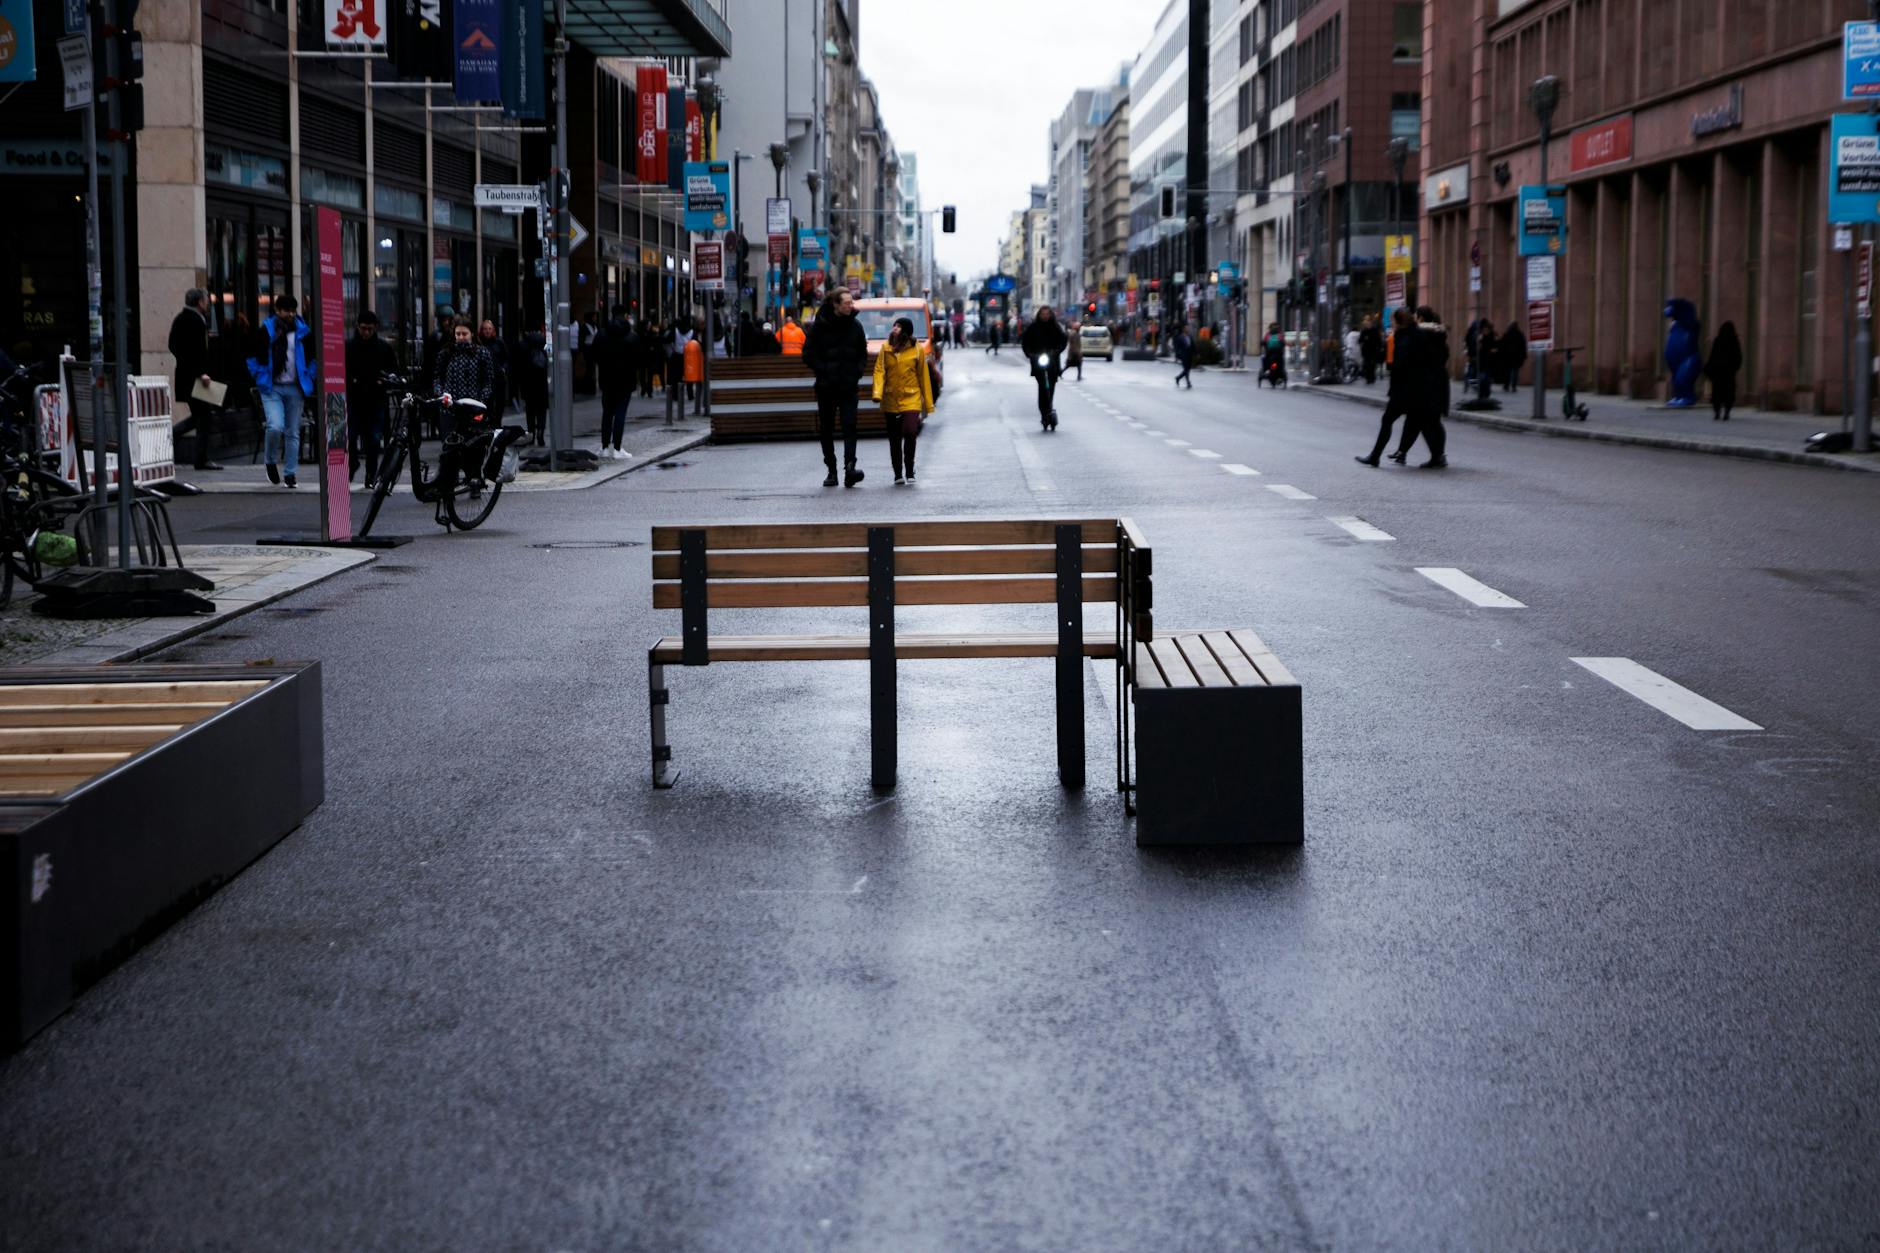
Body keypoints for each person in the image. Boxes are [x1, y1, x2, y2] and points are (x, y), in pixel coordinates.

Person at [247, 293, 316, 488]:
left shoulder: (303, 332)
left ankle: (290, 473)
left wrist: (309, 375)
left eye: (293, 310)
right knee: (275, 425)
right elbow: (252, 356)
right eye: (287, 310)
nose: (291, 314)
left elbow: (313, 358)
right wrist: (260, 376)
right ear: (277, 311)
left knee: (293, 431)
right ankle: (270, 461)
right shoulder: (266, 331)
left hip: (295, 386)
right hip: (272, 386)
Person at [803, 287, 868, 486]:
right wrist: (824, 371)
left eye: (851, 302)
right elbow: (808, 354)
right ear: (836, 305)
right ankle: (831, 470)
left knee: (850, 426)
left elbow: (862, 354)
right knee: (827, 429)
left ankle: (850, 468)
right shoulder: (820, 326)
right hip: (826, 387)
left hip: (848, 386)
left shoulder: (856, 326)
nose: (851, 306)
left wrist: (856, 372)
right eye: (847, 303)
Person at [872, 316, 934, 485]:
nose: (894, 328)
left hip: (911, 398)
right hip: (890, 399)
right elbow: (879, 371)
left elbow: (923, 376)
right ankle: (898, 472)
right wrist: (877, 392)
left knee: (910, 431)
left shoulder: (917, 349)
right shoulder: (886, 348)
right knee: (894, 438)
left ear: (906, 331)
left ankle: (909, 469)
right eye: (894, 325)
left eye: (898, 326)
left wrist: (928, 403)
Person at [1355, 309, 1419, 467]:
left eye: (1393, 322)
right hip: (1415, 388)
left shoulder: (1404, 337)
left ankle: (1375, 456)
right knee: (1412, 421)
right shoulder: (1416, 334)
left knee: (1387, 420)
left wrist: (1392, 367)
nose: (1391, 324)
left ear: (1399, 322)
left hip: (1404, 389)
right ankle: (1401, 454)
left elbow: (1402, 364)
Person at [168, 287, 222, 470]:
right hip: (195, 378)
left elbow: (174, 346)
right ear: (199, 302)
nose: (207, 303)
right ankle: (200, 458)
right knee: (204, 416)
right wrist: (201, 373)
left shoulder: (181, 318)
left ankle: (172, 435)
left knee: (201, 415)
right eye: (206, 300)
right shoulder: (194, 321)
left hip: (187, 376)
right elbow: (194, 351)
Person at [344, 311, 397, 487]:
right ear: (358, 327)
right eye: (363, 329)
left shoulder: (383, 348)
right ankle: (354, 465)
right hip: (355, 398)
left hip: (375, 398)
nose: (366, 332)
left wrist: (384, 381)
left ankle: (370, 474)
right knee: (352, 437)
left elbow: (393, 371)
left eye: (370, 329)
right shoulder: (349, 347)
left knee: (373, 439)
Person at [1394, 305, 1450, 468]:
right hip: (1438, 381)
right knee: (1430, 420)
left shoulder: (1423, 335)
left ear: (1421, 319)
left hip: (1427, 383)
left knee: (1424, 420)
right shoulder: (1438, 334)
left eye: (1416, 317)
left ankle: (1437, 456)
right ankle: (1436, 455)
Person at [592, 304, 637, 459]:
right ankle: (617, 449)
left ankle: (604, 447)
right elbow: (640, 358)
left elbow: (594, 354)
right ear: (625, 316)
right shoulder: (631, 336)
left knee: (607, 414)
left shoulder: (602, 334)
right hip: (626, 381)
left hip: (607, 380)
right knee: (620, 413)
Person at [432, 317, 495, 418]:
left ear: (472, 334)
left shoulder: (482, 353)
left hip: (474, 407)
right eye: (458, 334)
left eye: (464, 334)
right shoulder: (446, 353)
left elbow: (488, 381)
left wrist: (481, 400)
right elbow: (437, 377)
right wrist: (441, 394)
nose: (461, 337)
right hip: (449, 408)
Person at [1019, 304, 1069, 428]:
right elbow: (1025, 342)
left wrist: (1056, 352)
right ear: (1039, 315)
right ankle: (1044, 412)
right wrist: (1030, 354)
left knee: (1051, 387)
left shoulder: (1055, 327)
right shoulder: (1033, 327)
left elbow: (1063, 341)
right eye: (1043, 314)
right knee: (1042, 387)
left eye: (1047, 314)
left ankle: (1049, 408)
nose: (1045, 317)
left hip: (1052, 362)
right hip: (1038, 361)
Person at [516, 321, 551, 445]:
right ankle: (540, 433)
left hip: (528, 384)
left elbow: (518, 367)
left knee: (530, 411)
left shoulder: (523, 346)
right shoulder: (544, 346)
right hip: (541, 384)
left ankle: (531, 434)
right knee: (541, 411)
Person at [1705, 321, 1742, 421]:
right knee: (1729, 393)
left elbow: (1713, 356)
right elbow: (1738, 357)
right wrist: (1735, 368)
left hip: (1718, 373)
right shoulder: (1734, 341)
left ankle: (1717, 412)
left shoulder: (1718, 340)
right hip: (1729, 373)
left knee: (1717, 393)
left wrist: (1710, 368)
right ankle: (1726, 412)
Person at [478, 319, 510, 417]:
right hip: (484, 379)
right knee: (488, 404)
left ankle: (497, 423)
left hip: (498, 378)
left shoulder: (499, 342)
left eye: (489, 329)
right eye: (485, 329)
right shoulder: (479, 343)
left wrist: (503, 369)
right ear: (481, 331)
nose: (487, 331)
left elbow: (507, 358)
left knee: (500, 403)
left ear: (493, 330)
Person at [1499, 320, 1527, 392]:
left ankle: (1506, 385)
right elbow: (1523, 346)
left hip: (1507, 357)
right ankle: (1513, 386)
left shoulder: (1506, 334)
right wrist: (1524, 355)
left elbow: (1502, 346)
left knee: (1507, 372)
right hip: (1516, 357)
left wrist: (1501, 355)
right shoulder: (1520, 335)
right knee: (1515, 371)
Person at [576, 311, 600, 395]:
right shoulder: (585, 327)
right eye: (594, 317)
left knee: (591, 369)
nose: (595, 318)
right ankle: (586, 388)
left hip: (594, 349)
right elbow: (581, 340)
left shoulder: (595, 326)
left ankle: (590, 387)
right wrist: (581, 351)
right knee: (588, 369)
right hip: (587, 349)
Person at [1359, 316, 1383, 385]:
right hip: (1366, 351)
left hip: (1374, 350)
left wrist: (1379, 348)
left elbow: (1379, 340)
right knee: (1367, 364)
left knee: (1372, 365)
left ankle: (1372, 378)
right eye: (1365, 323)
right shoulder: (1364, 331)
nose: (1366, 324)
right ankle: (1368, 378)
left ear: (1370, 323)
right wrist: (1362, 345)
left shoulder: (1375, 330)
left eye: (1367, 322)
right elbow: (1360, 340)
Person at [1172, 323, 1194, 389]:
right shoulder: (1180, 337)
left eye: (1188, 328)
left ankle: (1178, 378)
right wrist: (1178, 355)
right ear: (1183, 329)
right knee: (1186, 369)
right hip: (1184, 356)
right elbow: (1177, 347)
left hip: (1190, 355)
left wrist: (1196, 353)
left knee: (1187, 369)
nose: (1188, 329)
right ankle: (1188, 382)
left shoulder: (1190, 336)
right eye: (1186, 328)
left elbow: (1193, 345)